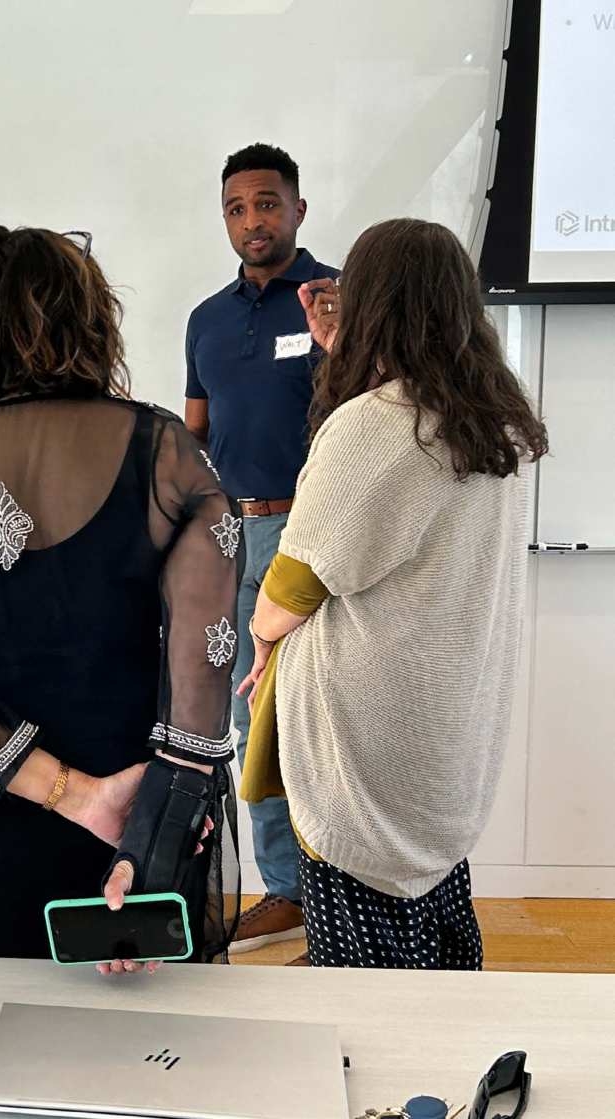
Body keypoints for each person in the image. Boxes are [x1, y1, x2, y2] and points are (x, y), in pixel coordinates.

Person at [0, 225, 240, 964]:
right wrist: (152, 845)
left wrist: (72, 792)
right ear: (92, 320)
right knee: (156, 1024)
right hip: (139, 816)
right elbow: (203, 675)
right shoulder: (165, 455)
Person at [237, 218, 548, 970]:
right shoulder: (492, 419)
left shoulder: (378, 426)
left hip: (368, 742)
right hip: (442, 727)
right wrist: (352, 357)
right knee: (433, 935)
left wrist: (262, 636)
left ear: (374, 303)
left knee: (364, 982)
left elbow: (292, 584)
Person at [184, 142, 339, 959]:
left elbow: (376, 404)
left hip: (317, 533)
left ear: (298, 210)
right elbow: (194, 434)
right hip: (230, 539)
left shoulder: (337, 299)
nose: (253, 220)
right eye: (237, 208)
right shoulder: (207, 319)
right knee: (256, 723)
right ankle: (287, 891)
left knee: (326, 718)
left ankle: (343, 894)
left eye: (267, 203)